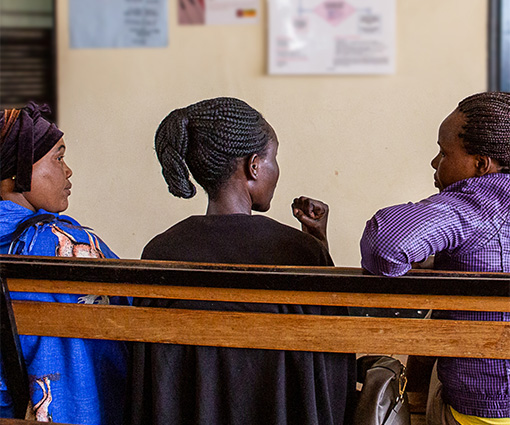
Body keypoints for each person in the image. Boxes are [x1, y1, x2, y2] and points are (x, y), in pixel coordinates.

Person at [127, 97, 356, 425]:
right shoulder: (298, 251)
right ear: (253, 166)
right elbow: (334, 357)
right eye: (273, 159)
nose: (276, 170)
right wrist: (316, 244)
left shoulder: (160, 251)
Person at [359, 92, 510, 424]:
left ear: (481, 165)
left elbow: (385, 244)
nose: (434, 162)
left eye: (443, 153)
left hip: (481, 408)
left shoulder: (482, 200)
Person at [0, 102, 128, 424]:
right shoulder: (60, 243)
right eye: (58, 157)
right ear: (18, 169)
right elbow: (129, 320)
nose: (67, 170)